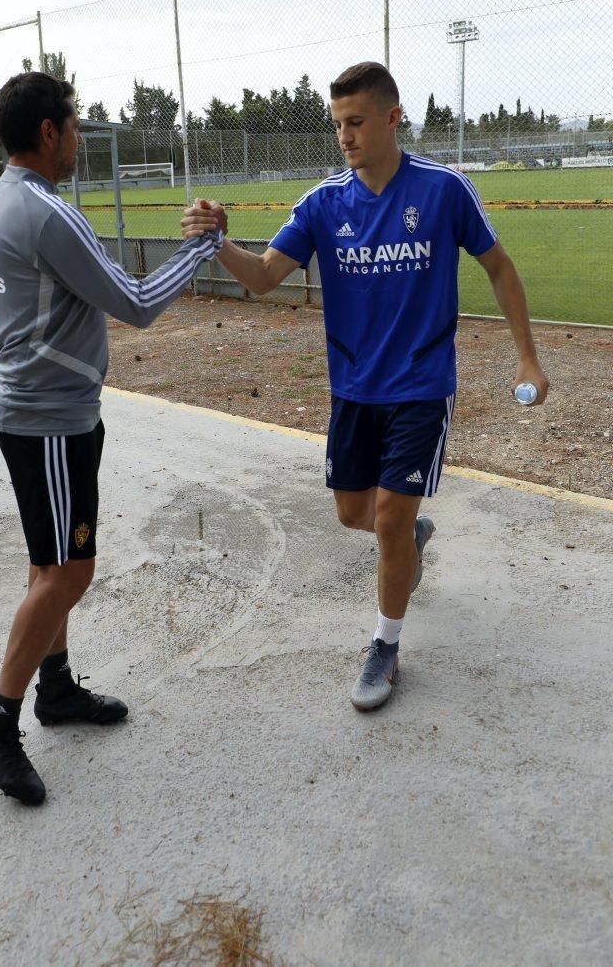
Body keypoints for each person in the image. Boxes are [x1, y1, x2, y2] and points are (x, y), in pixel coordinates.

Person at [181, 61, 549, 713]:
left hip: (421, 385)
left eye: (355, 123)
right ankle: (410, 539)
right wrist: (218, 243)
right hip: (353, 389)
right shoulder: (324, 202)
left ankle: (386, 644)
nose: (344, 137)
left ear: (391, 118)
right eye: (337, 125)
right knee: (356, 515)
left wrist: (527, 358)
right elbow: (264, 276)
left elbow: (499, 265)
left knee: (386, 518)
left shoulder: (444, 190)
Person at [0, 71, 222, 805]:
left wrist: (27, 362)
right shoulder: (46, 211)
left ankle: (56, 689)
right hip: (49, 419)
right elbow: (137, 303)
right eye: (74, 124)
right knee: (67, 573)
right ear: (49, 132)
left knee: (48, 562)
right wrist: (205, 247)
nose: (79, 136)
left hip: (31, 410)